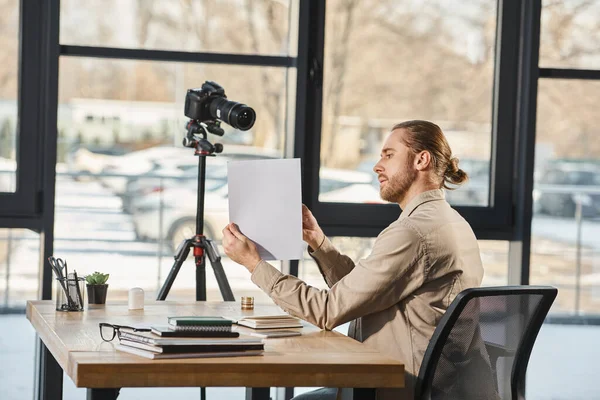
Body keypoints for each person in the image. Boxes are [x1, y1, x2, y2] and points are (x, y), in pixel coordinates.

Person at [222, 120, 486, 400]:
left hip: (400, 388)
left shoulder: (413, 233)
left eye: (388, 154)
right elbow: (366, 289)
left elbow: (326, 311)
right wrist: (318, 242)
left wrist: (254, 264)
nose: (377, 166)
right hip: (438, 387)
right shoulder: (451, 222)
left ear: (421, 160)